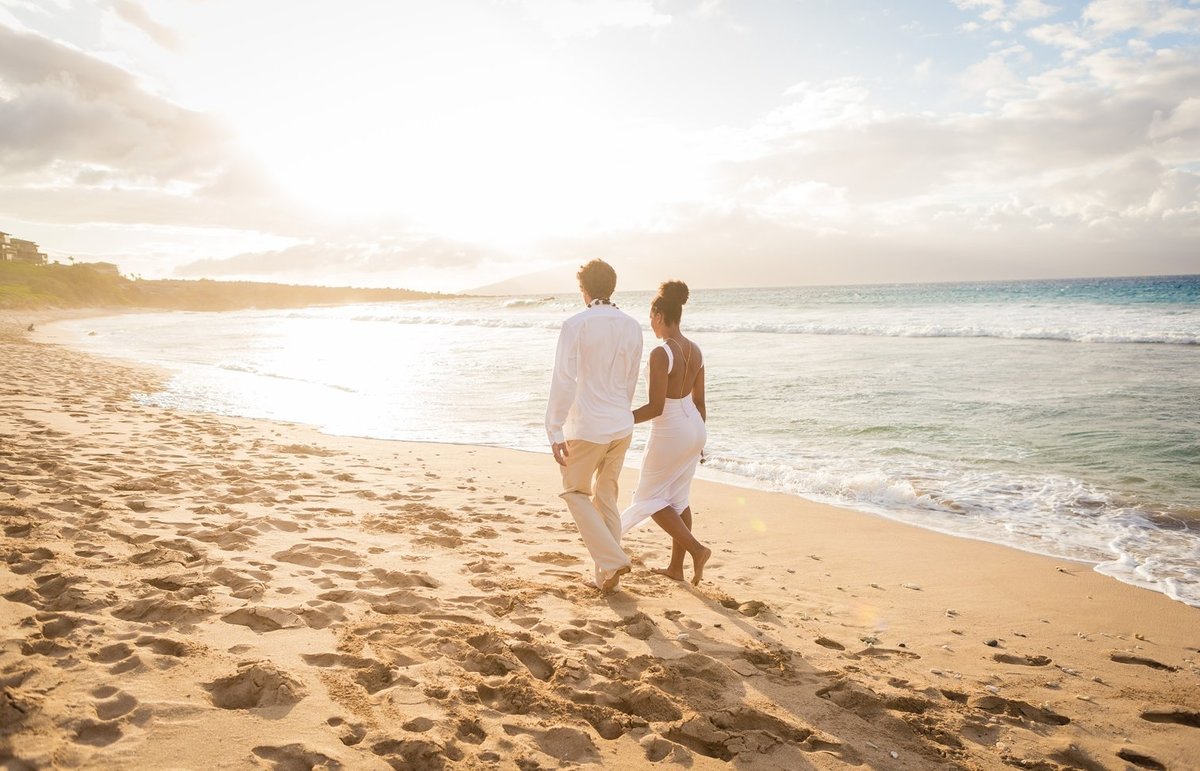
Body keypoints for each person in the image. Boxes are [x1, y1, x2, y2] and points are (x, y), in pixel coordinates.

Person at [546, 259, 644, 593]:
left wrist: (555, 429)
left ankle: (613, 561)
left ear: (583, 289)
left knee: (574, 491)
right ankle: (606, 577)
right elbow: (631, 380)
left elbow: (564, 379)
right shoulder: (632, 326)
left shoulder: (576, 324)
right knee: (606, 497)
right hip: (621, 424)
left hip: (588, 427)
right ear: (611, 287)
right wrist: (621, 413)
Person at [620, 280, 711, 585]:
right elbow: (700, 402)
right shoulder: (695, 350)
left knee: (649, 497)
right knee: (678, 498)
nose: (651, 324)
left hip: (671, 429)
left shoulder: (661, 353)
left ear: (659, 314)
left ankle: (697, 550)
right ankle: (676, 568)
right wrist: (698, 441)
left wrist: (621, 419)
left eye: (651, 317)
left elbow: (656, 407)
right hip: (695, 428)